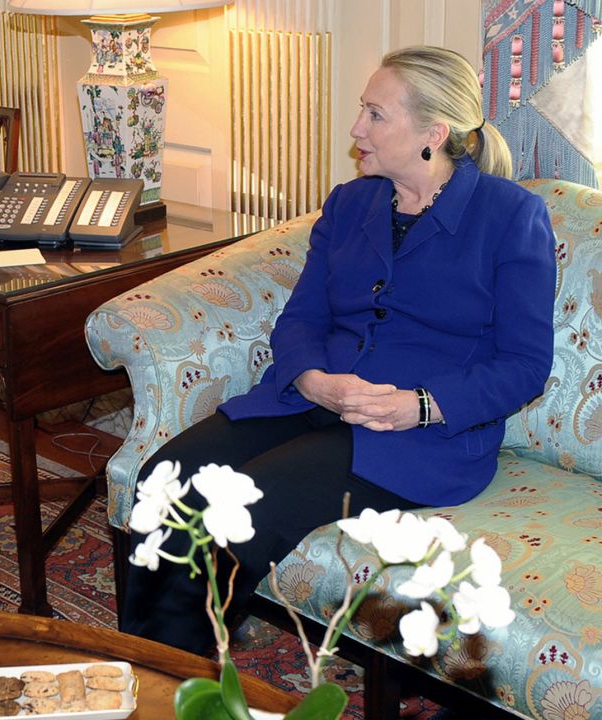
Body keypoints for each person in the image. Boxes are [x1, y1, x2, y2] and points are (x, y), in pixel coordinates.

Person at [120, 46, 555, 653]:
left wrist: (420, 405)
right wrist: (309, 378)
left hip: (419, 436)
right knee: (164, 480)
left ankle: (178, 680)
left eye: (376, 115)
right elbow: (301, 316)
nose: (356, 130)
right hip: (316, 397)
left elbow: (526, 365)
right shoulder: (351, 203)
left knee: (242, 512)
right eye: (362, 110)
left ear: (434, 133)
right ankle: (147, 667)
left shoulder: (510, 217)